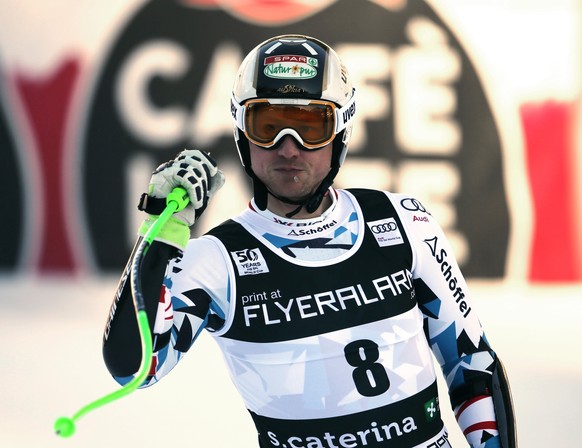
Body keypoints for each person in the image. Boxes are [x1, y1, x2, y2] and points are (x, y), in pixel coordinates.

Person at [103, 34, 516, 448]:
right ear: (241, 133)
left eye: (310, 126)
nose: (288, 147)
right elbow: (135, 368)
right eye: (266, 125)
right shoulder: (216, 261)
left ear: (340, 131)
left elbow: (471, 365)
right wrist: (162, 230)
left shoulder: (405, 221)